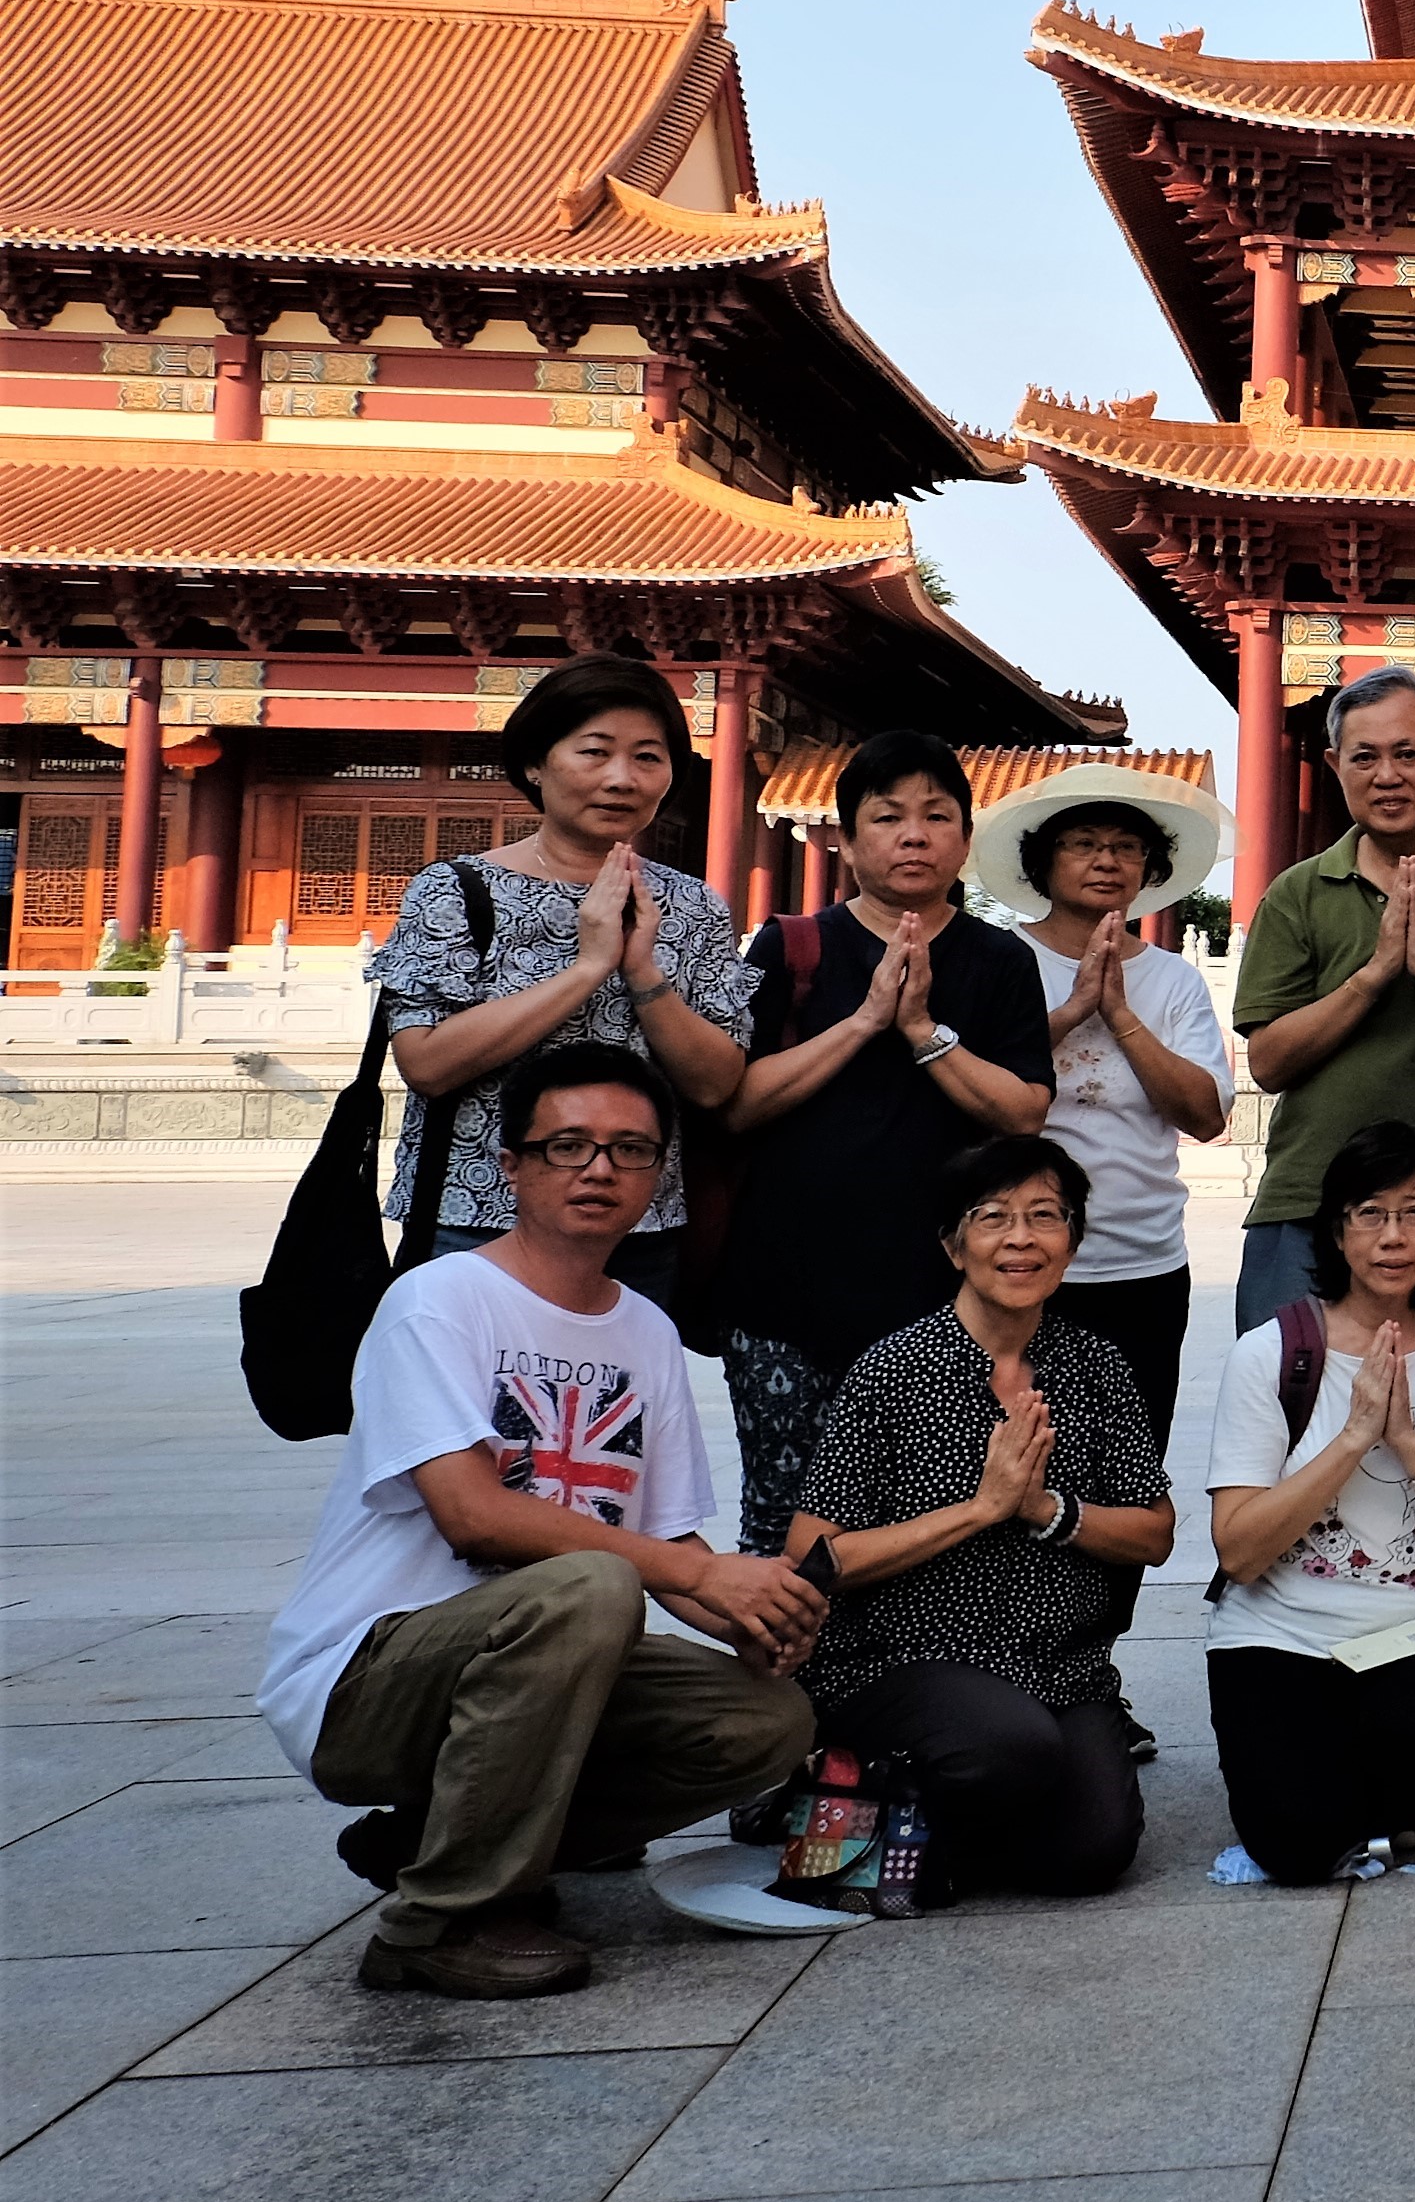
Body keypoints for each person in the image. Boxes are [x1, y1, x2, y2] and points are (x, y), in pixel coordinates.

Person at [257, 1047, 819, 1999]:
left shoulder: (645, 1330)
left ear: (659, 1176)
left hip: (547, 1650)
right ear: (511, 1166)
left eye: (630, 1150)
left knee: (763, 1720)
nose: (599, 1169)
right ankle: (436, 1924)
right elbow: (472, 1516)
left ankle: (434, 1842)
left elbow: (670, 1543)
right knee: (590, 1585)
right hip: (367, 1677)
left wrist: (751, 1612)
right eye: (568, 1146)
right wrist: (696, 1577)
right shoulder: (438, 1300)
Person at [783, 1133, 1175, 1898]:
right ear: (953, 1245)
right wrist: (981, 1510)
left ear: (1073, 1242)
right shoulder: (894, 1372)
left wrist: (1044, 1509)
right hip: (904, 1659)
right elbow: (818, 1556)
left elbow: (1154, 1532)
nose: (1021, 1238)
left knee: (1096, 1850)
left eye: (1045, 1216)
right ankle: (851, 1797)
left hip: (1058, 1665)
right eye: (993, 1217)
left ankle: (901, 1837)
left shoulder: (1095, 1367)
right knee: (1008, 1747)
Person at [718, 733, 1054, 1561]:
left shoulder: (1000, 959)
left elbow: (1023, 1114)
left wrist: (923, 1032)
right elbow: (740, 1102)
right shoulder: (793, 946)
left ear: (965, 841)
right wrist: (868, 1019)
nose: (913, 835)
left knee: (930, 1517)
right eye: (888, 816)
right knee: (782, 1527)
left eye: (937, 817)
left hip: (940, 1297)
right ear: (846, 838)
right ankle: (784, 1652)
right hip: (785, 1291)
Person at [1202, 1123, 1415, 1885]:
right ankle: (1355, 1790)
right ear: (1336, 1227)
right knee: (1297, 1854)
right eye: (1370, 1213)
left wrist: (1409, 1442)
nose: (1393, 1236)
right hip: (1279, 1634)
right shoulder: (1272, 1353)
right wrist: (1352, 1438)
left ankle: (1364, 1781)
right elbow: (1238, 1551)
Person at [375, 657, 754, 1287]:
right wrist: (588, 968)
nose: (621, 778)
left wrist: (643, 974)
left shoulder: (692, 907)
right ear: (535, 762)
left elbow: (716, 1085)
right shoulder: (456, 892)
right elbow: (427, 1063)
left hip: (636, 1229)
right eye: (595, 752)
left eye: (647, 757)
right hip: (477, 1219)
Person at [989, 768, 1235, 1690]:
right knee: (1008, 1463)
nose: (1106, 861)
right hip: (1015, 1270)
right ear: (1043, 862)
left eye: (1126, 847)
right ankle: (1004, 1663)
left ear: (1150, 868)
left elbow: (1205, 1113)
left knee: (1124, 1479)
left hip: (1141, 1264)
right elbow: (981, 1097)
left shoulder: (1172, 980)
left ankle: (1090, 1670)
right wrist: (1068, 1014)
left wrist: (1121, 1014)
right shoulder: (998, 962)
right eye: (1084, 844)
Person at [1229, 664, 1415, 1333]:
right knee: (1288, 1387)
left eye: (1408, 753)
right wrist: (1373, 975)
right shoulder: (1298, 893)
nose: (1387, 776)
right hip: (1311, 1197)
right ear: (1335, 765)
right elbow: (1269, 1063)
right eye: (1365, 757)